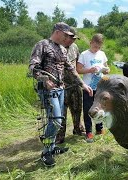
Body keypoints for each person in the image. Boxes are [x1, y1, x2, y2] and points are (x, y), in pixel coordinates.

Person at [29, 22, 93, 167]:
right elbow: (33, 66)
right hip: (47, 90)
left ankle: (51, 148)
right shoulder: (42, 45)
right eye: (66, 35)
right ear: (57, 32)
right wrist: (44, 79)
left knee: (57, 119)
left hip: (61, 89)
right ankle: (46, 153)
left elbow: (71, 69)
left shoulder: (62, 50)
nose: (67, 38)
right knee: (56, 120)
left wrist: (82, 84)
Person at [77, 33, 110, 143]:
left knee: (100, 108)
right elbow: (78, 70)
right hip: (88, 87)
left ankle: (99, 129)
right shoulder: (84, 54)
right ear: (91, 43)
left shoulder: (102, 54)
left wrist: (106, 70)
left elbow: (107, 68)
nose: (97, 49)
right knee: (88, 109)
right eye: (95, 46)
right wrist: (89, 70)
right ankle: (89, 132)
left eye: (99, 47)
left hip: (100, 87)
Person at [55, 27, 86, 144]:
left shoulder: (75, 47)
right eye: (71, 38)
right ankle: (60, 136)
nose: (73, 41)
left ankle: (78, 129)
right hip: (61, 86)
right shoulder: (56, 48)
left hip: (75, 85)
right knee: (61, 113)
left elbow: (78, 63)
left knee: (77, 109)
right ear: (65, 36)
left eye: (75, 39)